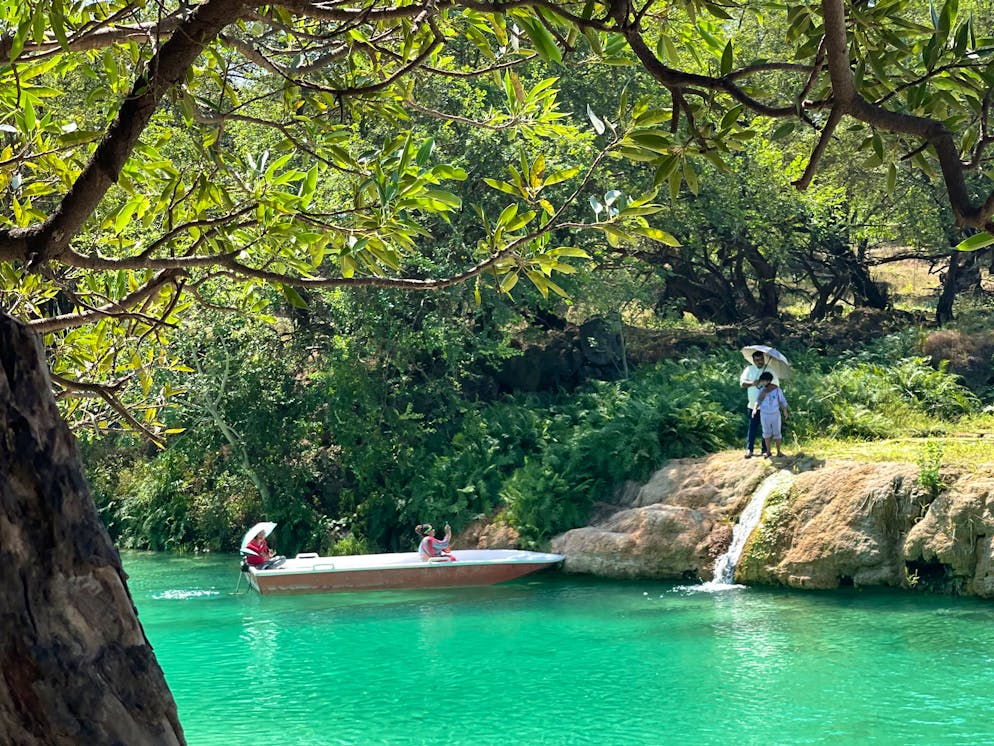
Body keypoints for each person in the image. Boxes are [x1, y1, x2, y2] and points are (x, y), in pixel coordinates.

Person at [740, 349, 778, 458]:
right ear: (753, 360)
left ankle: (765, 450)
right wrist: (753, 383)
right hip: (753, 405)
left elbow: (775, 385)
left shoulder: (770, 370)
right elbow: (742, 383)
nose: (760, 362)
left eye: (761, 359)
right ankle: (749, 449)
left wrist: (765, 385)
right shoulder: (749, 369)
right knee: (752, 427)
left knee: (766, 429)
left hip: (767, 406)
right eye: (757, 360)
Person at [753, 371, 790, 458]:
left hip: (775, 414)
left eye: (764, 381)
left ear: (769, 381)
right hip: (764, 414)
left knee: (777, 433)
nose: (763, 382)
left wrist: (785, 410)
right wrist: (755, 409)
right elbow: (758, 401)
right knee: (766, 433)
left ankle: (779, 451)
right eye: (762, 381)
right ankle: (768, 451)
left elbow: (782, 401)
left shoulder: (776, 389)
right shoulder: (761, 390)